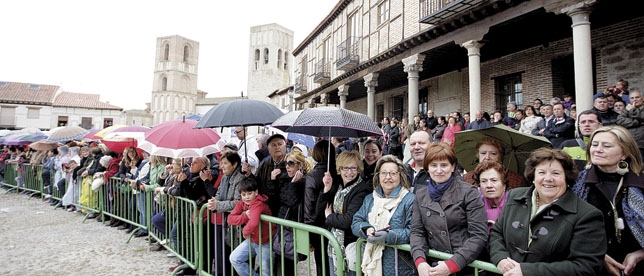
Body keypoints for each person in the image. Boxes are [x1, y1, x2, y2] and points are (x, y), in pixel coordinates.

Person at [490, 148, 607, 275]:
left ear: (567, 178)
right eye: (541, 172)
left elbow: (586, 267)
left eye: (556, 173)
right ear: (533, 176)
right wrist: (500, 258)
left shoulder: (587, 215)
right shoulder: (514, 196)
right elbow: (497, 234)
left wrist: (527, 271)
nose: (548, 178)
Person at [573, 126, 644, 275]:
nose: (597, 150)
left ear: (624, 153)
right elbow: (566, 228)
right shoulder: (577, 184)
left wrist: (639, 254)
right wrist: (597, 255)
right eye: (594, 144)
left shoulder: (640, 183)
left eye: (606, 146)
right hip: (591, 265)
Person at [410, 143, 488, 276]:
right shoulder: (420, 195)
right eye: (434, 165)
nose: (439, 170)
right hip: (432, 266)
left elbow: (478, 235)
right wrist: (420, 261)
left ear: (453, 167)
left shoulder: (469, 192)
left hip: (464, 266)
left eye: (444, 165)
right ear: (427, 168)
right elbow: (417, 232)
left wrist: (452, 264)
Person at [351, 155, 416, 276]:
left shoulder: (409, 200)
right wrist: (366, 229)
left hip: (399, 266)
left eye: (393, 173)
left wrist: (388, 236)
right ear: (378, 176)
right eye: (384, 173)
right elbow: (356, 221)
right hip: (372, 264)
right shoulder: (370, 198)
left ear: (400, 175)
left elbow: (413, 231)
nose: (388, 177)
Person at [319, 150, 372, 276]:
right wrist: (326, 189)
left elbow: (348, 220)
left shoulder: (362, 189)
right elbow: (320, 212)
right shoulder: (337, 185)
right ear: (339, 169)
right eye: (345, 168)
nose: (349, 172)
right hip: (334, 246)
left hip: (350, 248)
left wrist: (330, 217)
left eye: (353, 168)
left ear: (358, 169)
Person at [206, 150, 244, 276]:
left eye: (225, 163)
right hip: (224, 221)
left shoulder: (240, 178)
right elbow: (218, 194)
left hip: (236, 224)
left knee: (233, 254)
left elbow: (238, 202)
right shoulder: (225, 177)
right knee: (223, 253)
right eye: (221, 163)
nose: (221, 166)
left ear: (234, 164)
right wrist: (213, 202)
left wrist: (218, 205)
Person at [273, 150, 312, 273]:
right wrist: (273, 181)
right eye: (286, 163)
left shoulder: (303, 182)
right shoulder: (284, 179)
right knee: (279, 263)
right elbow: (275, 199)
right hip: (282, 226)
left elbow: (292, 203)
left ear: (300, 165)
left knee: (288, 266)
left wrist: (294, 184)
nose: (287, 166)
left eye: (291, 163)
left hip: (293, 228)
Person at [304, 140, 337, 276]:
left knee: (321, 265)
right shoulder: (338, 172)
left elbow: (309, 205)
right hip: (334, 224)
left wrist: (309, 235)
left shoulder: (313, 176)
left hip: (319, 227)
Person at [228, 177, 273, 276]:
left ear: (256, 192)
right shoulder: (242, 203)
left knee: (266, 272)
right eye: (243, 195)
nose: (246, 197)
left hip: (265, 241)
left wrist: (244, 232)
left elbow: (254, 222)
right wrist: (244, 216)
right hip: (253, 239)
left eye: (249, 193)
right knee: (235, 258)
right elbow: (230, 219)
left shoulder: (258, 204)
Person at [245, 133, 287, 217]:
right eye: (274, 145)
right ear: (269, 150)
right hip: (266, 207)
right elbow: (257, 183)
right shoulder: (265, 163)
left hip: (282, 209)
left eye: (280, 144)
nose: (277, 147)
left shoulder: (290, 163)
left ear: (285, 147)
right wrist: (249, 174)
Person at [462, 137, 527, 190]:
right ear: (478, 155)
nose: (487, 157)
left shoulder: (517, 180)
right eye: (483, 153)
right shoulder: (466, 178)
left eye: (493, 153)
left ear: (501, 156)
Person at [472, 161, 508, 233]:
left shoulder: (512, 203)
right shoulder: (475, 201)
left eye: (494, 180)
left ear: (504, 184)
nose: (489, 185)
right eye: (484, 181)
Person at [617, 90, 644, 161]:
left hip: (642, 144)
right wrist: (637, 122)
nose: (634, 99)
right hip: (629, 143)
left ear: (642, 98)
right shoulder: (626, 109)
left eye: (637, 97)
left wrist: (632, 110)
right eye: (632, 98)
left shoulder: (630, 109)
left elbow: (641, 117)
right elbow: (620, 121)